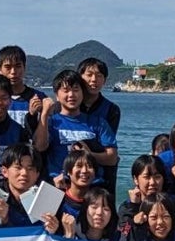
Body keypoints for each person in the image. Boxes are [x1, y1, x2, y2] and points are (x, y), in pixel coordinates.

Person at [31, 71, 111, 184]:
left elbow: (112, 158)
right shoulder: (51, 122)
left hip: (92, 186)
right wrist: (44, 114)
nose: (71, 95)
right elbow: (39, 147)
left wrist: (89, 154)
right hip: (60, 183)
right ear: (57, 95)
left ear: (83, 93)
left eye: (76, 89)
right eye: (66, 90)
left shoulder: (98, 123)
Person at [76, 57, 123, 188]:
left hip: (99, 177)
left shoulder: (111, 110)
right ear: (79, 77)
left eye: (99, 76)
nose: (93, 80)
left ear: (105, 80)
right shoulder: (67, 105)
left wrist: (88, 154)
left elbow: (106, 147)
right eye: (89, 75)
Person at [0, 46, 45, 126]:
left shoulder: (39, 98)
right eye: (8, 67)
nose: (13, 72)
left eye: (18, 66)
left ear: (24, 68)